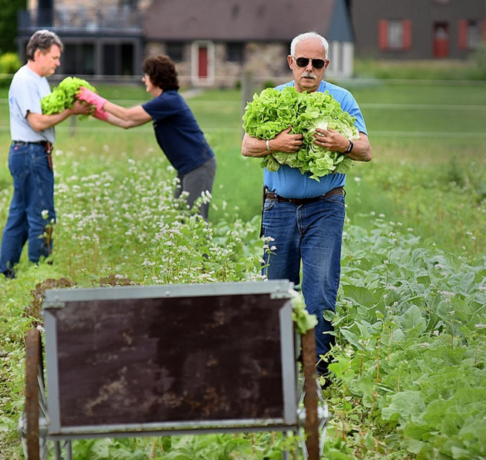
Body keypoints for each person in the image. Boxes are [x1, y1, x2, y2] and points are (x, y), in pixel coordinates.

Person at [241, 32, 372, 376]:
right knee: (277, 291)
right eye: (302, 62)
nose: (309, 69)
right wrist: (274, 144)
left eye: (317, 63)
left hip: (325, 208)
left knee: (319, 294)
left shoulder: (342, 99)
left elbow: (366, 150)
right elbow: (246, 145)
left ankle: (319, 375)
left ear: (326, 66)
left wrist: (343, 143)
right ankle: (277, 371)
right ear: (291, 63)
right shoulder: (274, 99)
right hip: (278, 208)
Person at [0, 30, 91, 279]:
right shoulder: (25, 81)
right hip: (30, 154)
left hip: (31, 153)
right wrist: (70, 111)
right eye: (54, 57)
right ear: (38, 54)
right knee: (43, 216)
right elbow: (37, 122)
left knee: (19, 217)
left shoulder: (39, 79)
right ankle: (40, 278)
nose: (58, 63)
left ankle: (5, 274)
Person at [79, 55, 216, 221]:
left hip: (198, 165)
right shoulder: (164, 102)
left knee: (194, 221)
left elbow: (126, 114)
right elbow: (127, 122)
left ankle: (204, 248)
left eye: (146, 75)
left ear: (156, 77)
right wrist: (94, 111)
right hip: (187, 168)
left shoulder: (169, 100)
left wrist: (95, 99)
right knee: (182, 220)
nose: (144, 79)